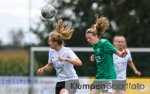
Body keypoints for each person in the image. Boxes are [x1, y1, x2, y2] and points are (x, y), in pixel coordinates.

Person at [37, 19, 82, 94]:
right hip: (60, 82)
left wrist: (66, 59)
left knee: (63, 93)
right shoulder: (51, 51)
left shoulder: (67, 51)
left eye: (50, 41)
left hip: (72, 80)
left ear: (55, 43)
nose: (48, 43)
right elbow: (50, 65)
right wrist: (43, 69)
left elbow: (79, 63)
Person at [85, 16, 127, 94]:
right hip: (99, 77)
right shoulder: (94, 46)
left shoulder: (105, 43)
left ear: (95, 36)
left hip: (109, 77)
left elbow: (117, 52)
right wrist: (94, 55)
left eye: (89, 38)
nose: (88, 40)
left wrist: (122, 54)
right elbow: (100, 52)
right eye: (86, 38)